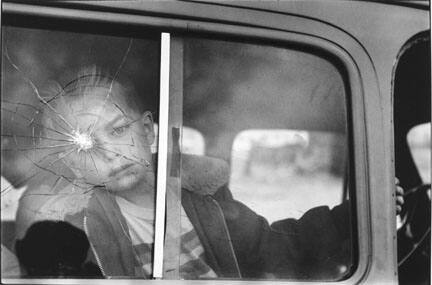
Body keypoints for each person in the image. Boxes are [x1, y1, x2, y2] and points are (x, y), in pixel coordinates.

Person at [14, 68, 404, 280]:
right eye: (87, 146)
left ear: (148, 131)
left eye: (118, 130)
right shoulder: (77, 227)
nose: (113, 153)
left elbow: (280, 246)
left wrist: (354, 219)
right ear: (75, 162)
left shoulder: (205, 201)